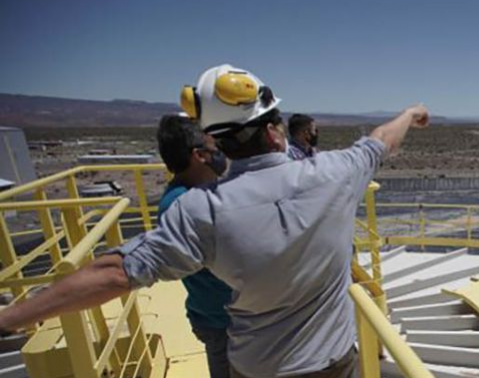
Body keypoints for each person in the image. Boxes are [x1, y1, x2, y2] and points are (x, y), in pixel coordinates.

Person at [0, 64, 429, 378]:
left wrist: (12, 317)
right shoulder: (336, 173)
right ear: (276, 130)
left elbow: (113, 274)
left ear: (216, 141)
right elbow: (380, 141)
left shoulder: (198, 211)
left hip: (253, 367)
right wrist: (410, 113)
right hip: (331, 364)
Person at [155, 114, 233, 378]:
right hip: (223, 321)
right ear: (200, 155)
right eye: (216, 149)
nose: (222, 154)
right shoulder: (184, 206)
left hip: (220, 315)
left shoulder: (192, 195)